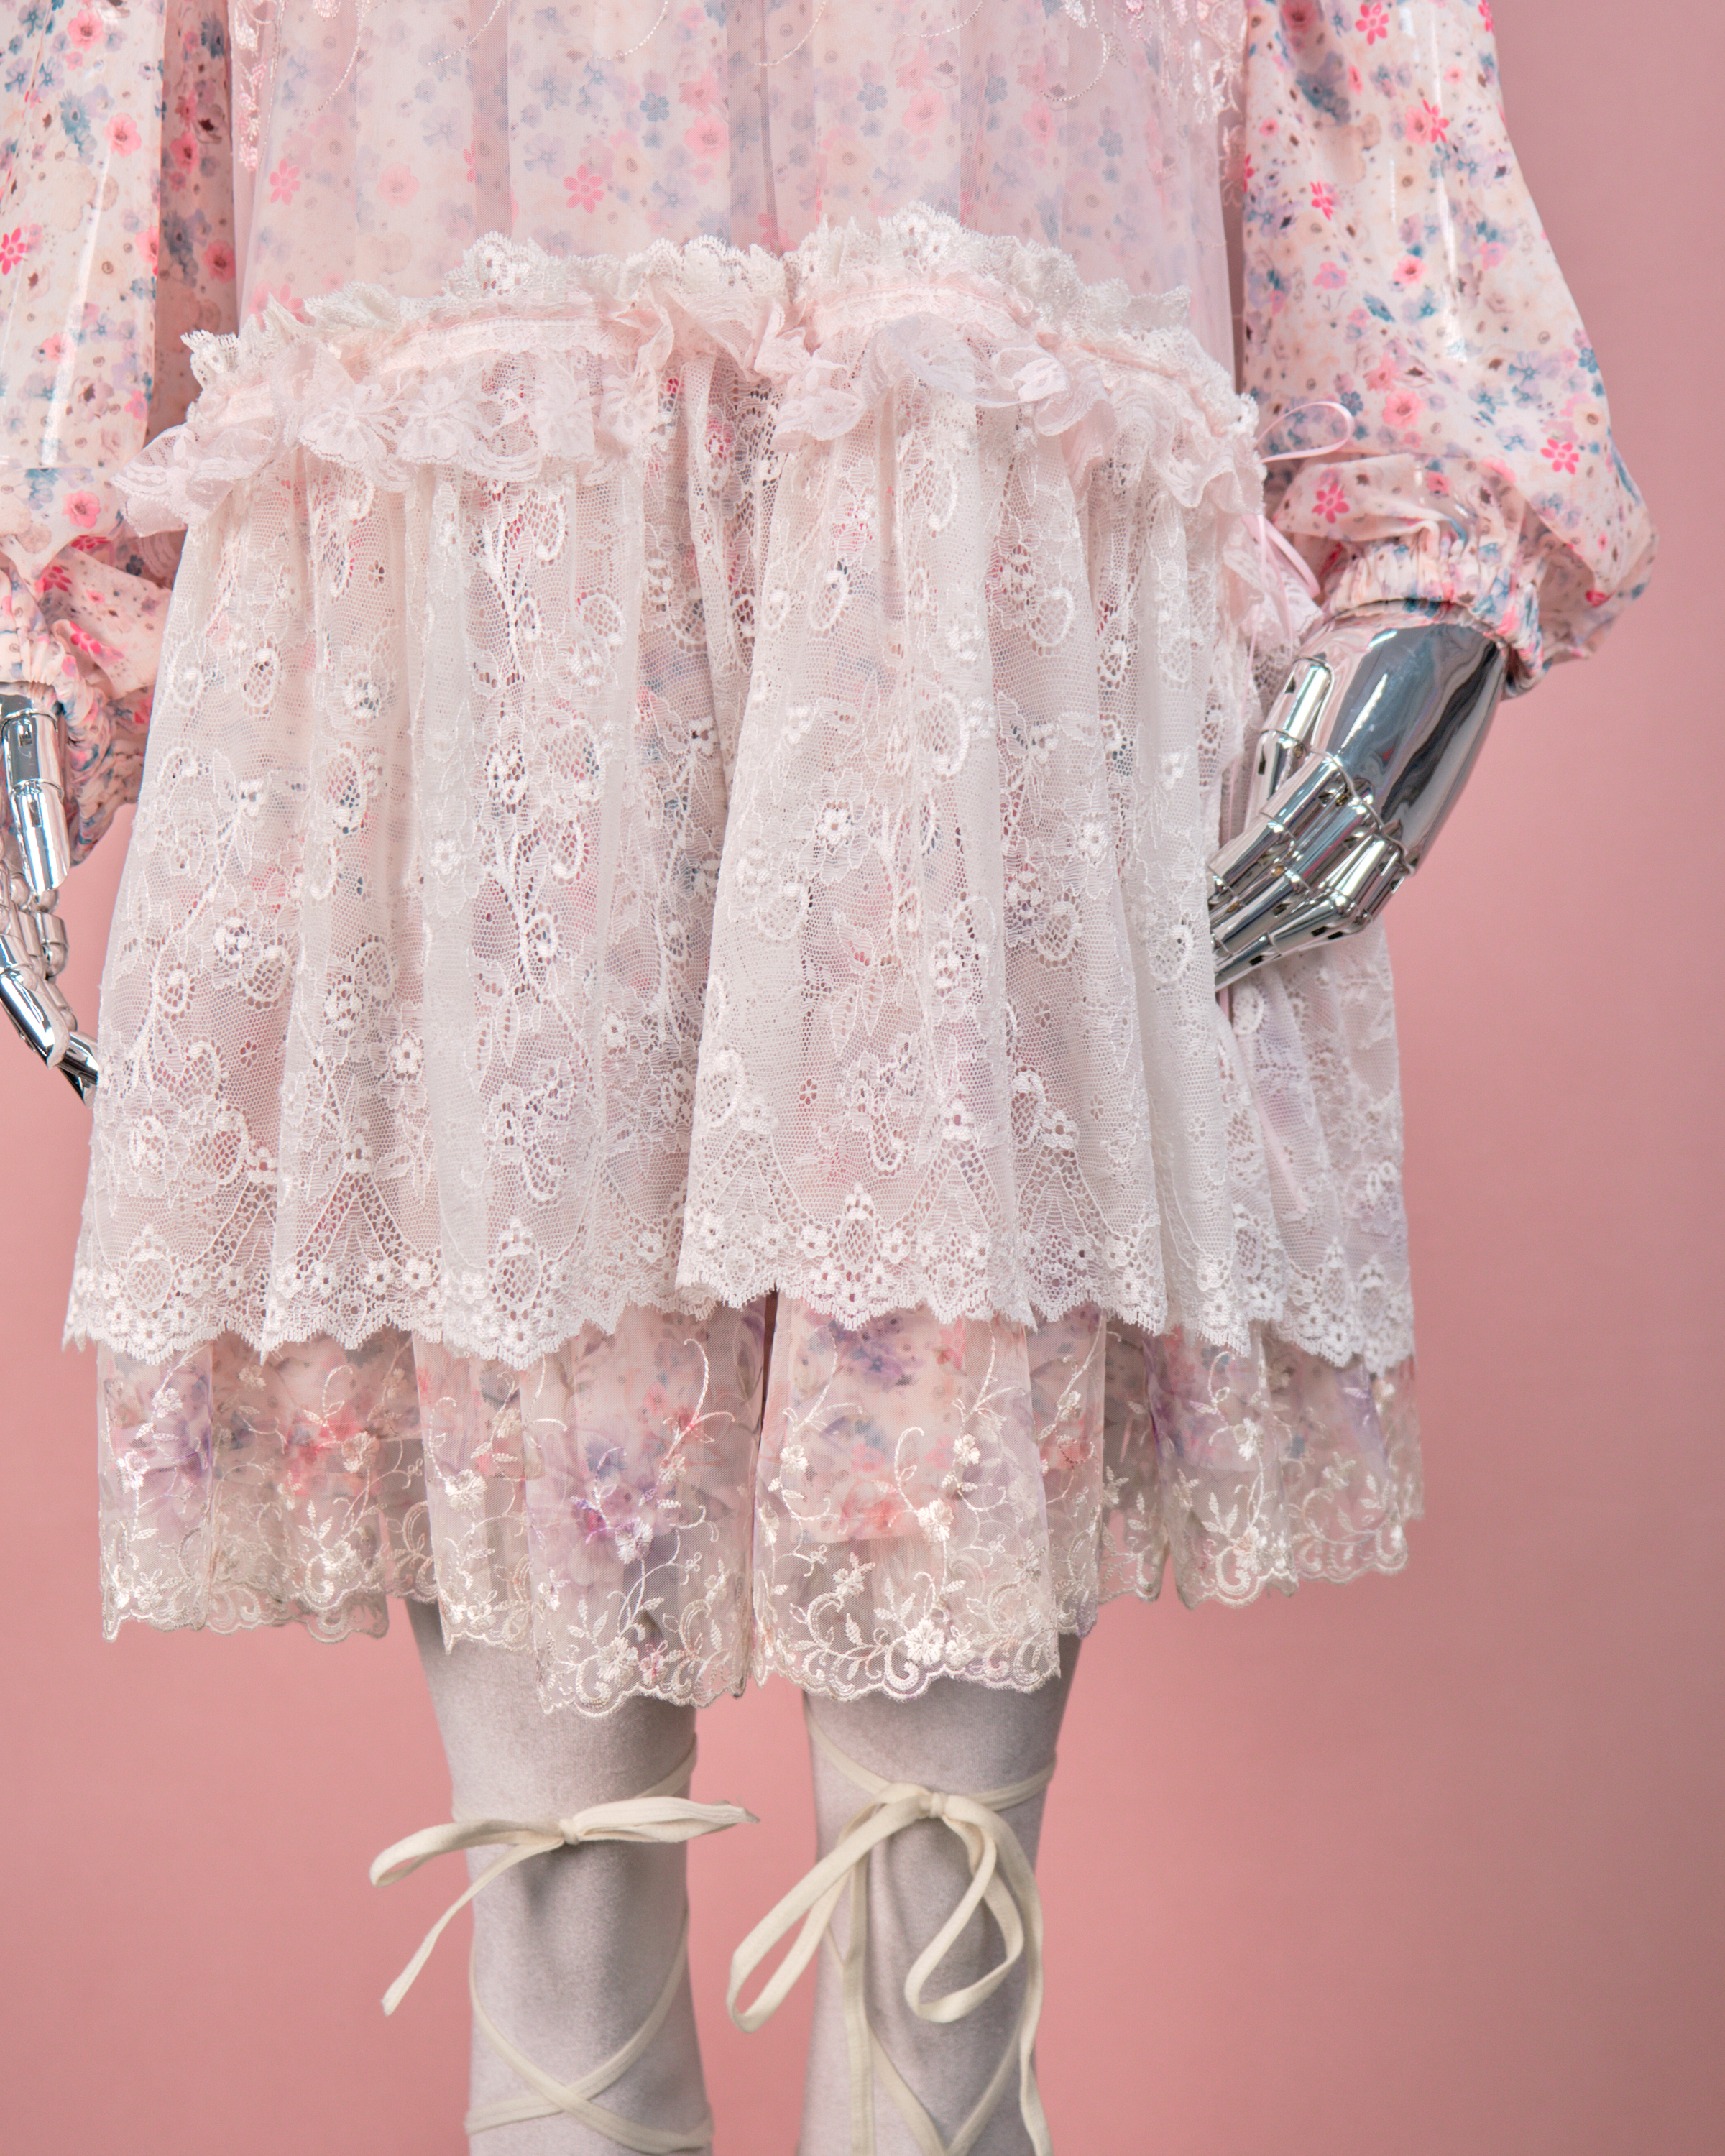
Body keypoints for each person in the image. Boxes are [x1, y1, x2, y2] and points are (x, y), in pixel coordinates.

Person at [0, 4, 1653, 2151]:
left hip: (971, 399)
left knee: (935, 1993)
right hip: (475, 427)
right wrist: (37, 625)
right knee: (564, 1985)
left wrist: (1432, 564)